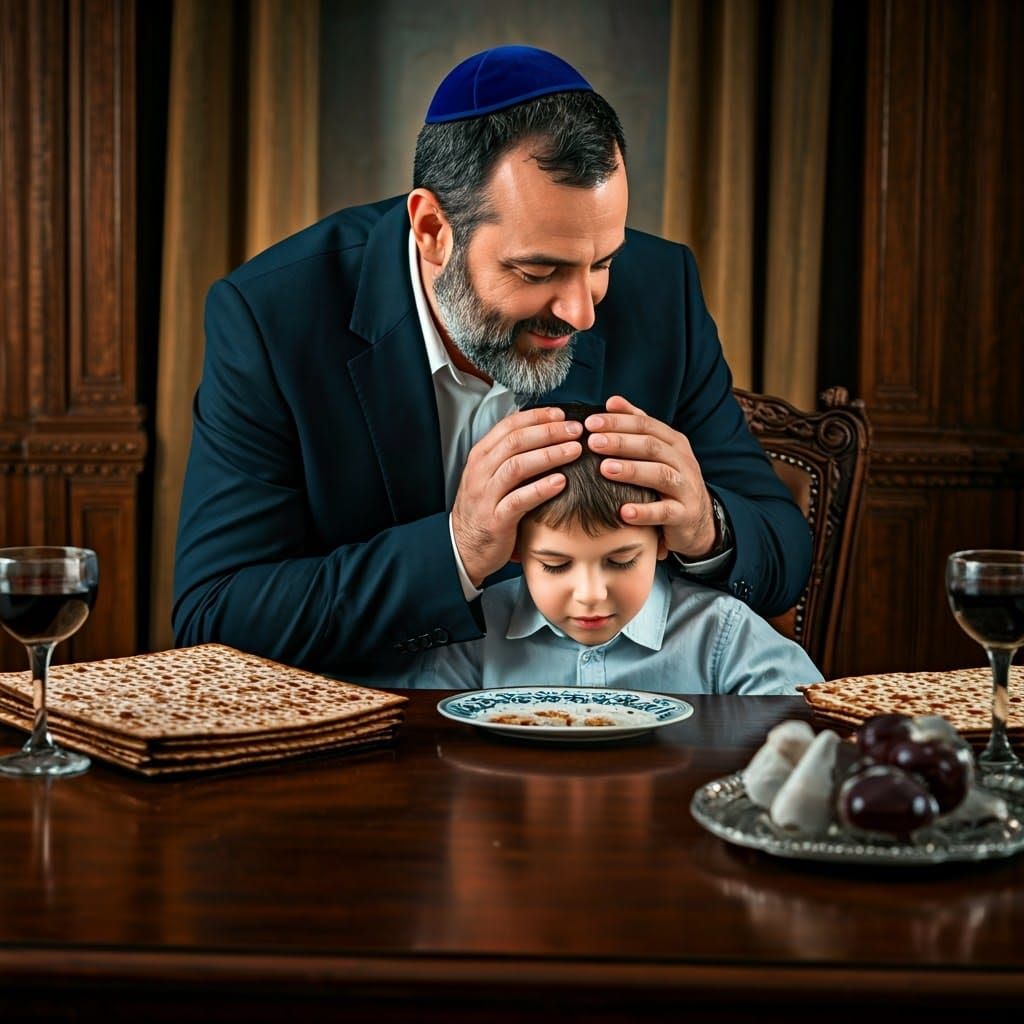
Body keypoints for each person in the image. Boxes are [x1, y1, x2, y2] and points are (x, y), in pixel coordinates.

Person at [173, 45, 812, 684]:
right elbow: (216, 613)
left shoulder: (662, 289)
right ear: (431, 229)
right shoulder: (272, 317)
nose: (581, 313)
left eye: (603, 263)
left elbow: (783, 551)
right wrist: (459, 548)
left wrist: (705, 523)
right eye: (537, 270)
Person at [406, 404, 822, 693]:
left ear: (662, 540)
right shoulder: (474, 636)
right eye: (555, 565)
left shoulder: (720, 634)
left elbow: (809, 731)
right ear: (514, 548)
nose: (591, 594)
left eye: (621, 560)